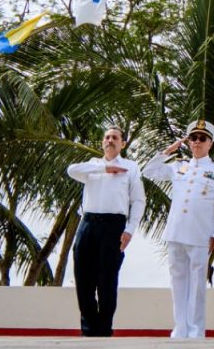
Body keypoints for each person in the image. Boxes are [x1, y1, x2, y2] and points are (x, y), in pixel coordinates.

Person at [143, 119, 214, 339]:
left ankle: (195, 330)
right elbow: (148, 171)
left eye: (202, 138)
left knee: (197, 284)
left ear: (210, 143)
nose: (197, 142)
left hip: (201, 235)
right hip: (176, 232)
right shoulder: (178, 166)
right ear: (188, 141)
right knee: (178, 282)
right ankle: (180, 327)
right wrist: (168, 151)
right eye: (193, 138)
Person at [67, 126, 146, 337]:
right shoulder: (93, 165)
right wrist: (105, 169)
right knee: (83, 278)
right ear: (103, 142)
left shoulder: (131, 167)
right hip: (88, 223)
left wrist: (130, 230)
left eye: (115, 138)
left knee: (107, 280)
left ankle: (103, 330)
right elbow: (71, 170)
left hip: (114, 225)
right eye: (107, 137)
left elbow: (138, 201)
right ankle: (88, 329)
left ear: (123, 144)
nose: (110, 140)